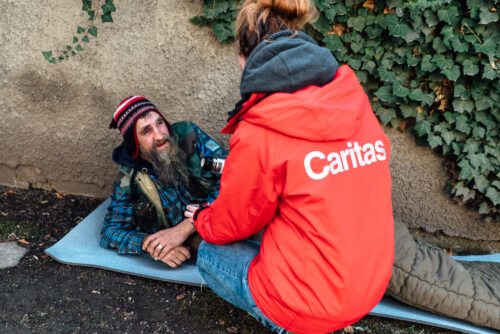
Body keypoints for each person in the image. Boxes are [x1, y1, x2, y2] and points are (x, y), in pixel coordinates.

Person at [159, 0, 395, 332]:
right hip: (370, 285)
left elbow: (233, 223)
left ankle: (289, 321)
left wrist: (200, 219)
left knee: (212, 253)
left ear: (245, 56)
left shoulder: (261, 128)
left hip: (311, 306)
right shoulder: (351, 97)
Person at [100, 96, 226, 268]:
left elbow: (237, 177)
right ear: (134, 143)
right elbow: (111, 231)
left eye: (160, 123)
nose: (159, 135)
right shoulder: (129, 178)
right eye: (146, 131)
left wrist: (188, 225)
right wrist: (153, 246)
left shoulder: (189, 136)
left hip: (222, 215)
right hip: (200, 242)